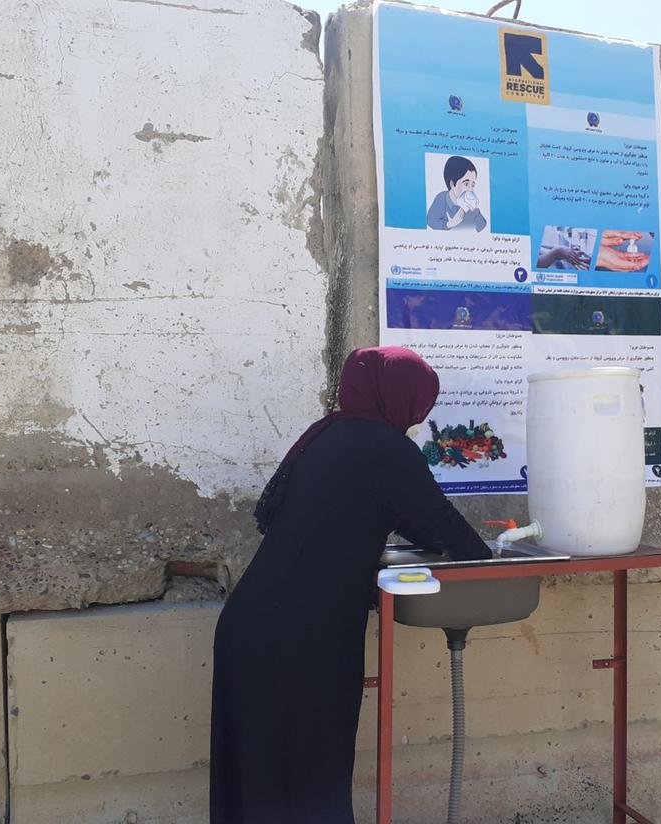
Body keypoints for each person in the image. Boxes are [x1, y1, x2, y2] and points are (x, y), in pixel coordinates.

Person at [209, 347, 491, 823]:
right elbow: (442, 525)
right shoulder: (386, 449)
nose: (419, 416)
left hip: (258, 628)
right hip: (301, 641)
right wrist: (490, 557)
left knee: (257, 782)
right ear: (398, 398)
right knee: (311, 778)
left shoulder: (329, 436)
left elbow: (403, 517)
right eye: (420, 404)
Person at [426, 155, 487, 232]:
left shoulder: (470, 204)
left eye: (473, 185)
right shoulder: (442, 198)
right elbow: (430, 221)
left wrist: (475, 210)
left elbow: (482, 228)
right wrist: (449, 224)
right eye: (466, 184)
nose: (470, 189)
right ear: (452, 184)